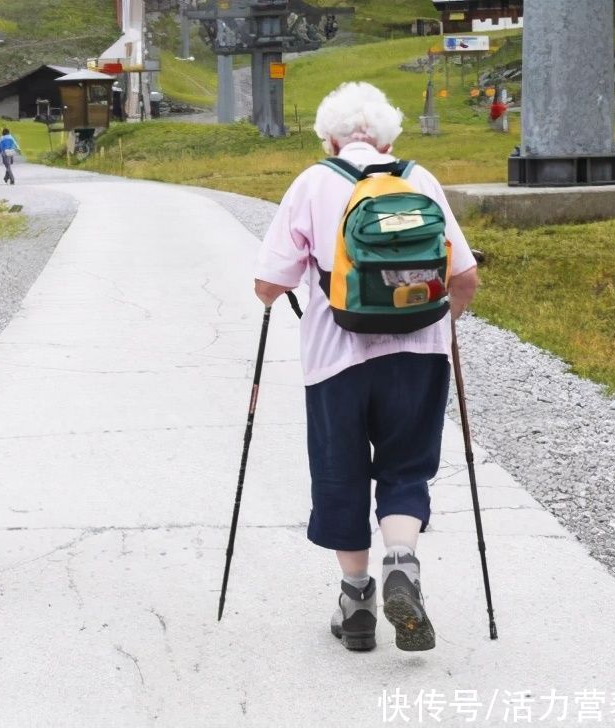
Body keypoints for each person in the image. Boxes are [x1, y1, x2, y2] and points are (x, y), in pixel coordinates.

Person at [252, 82, 479, 652]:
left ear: (330, 138)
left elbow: (266, 286)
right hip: (419, 356)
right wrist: (430, 325)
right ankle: (403, 562)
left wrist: (289, 288)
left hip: (337, 359)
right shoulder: (418, 179)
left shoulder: (312, 182)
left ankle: (356, 603)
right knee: (407, 467)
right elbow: (465, 278)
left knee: (340, 472)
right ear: (386, 135)